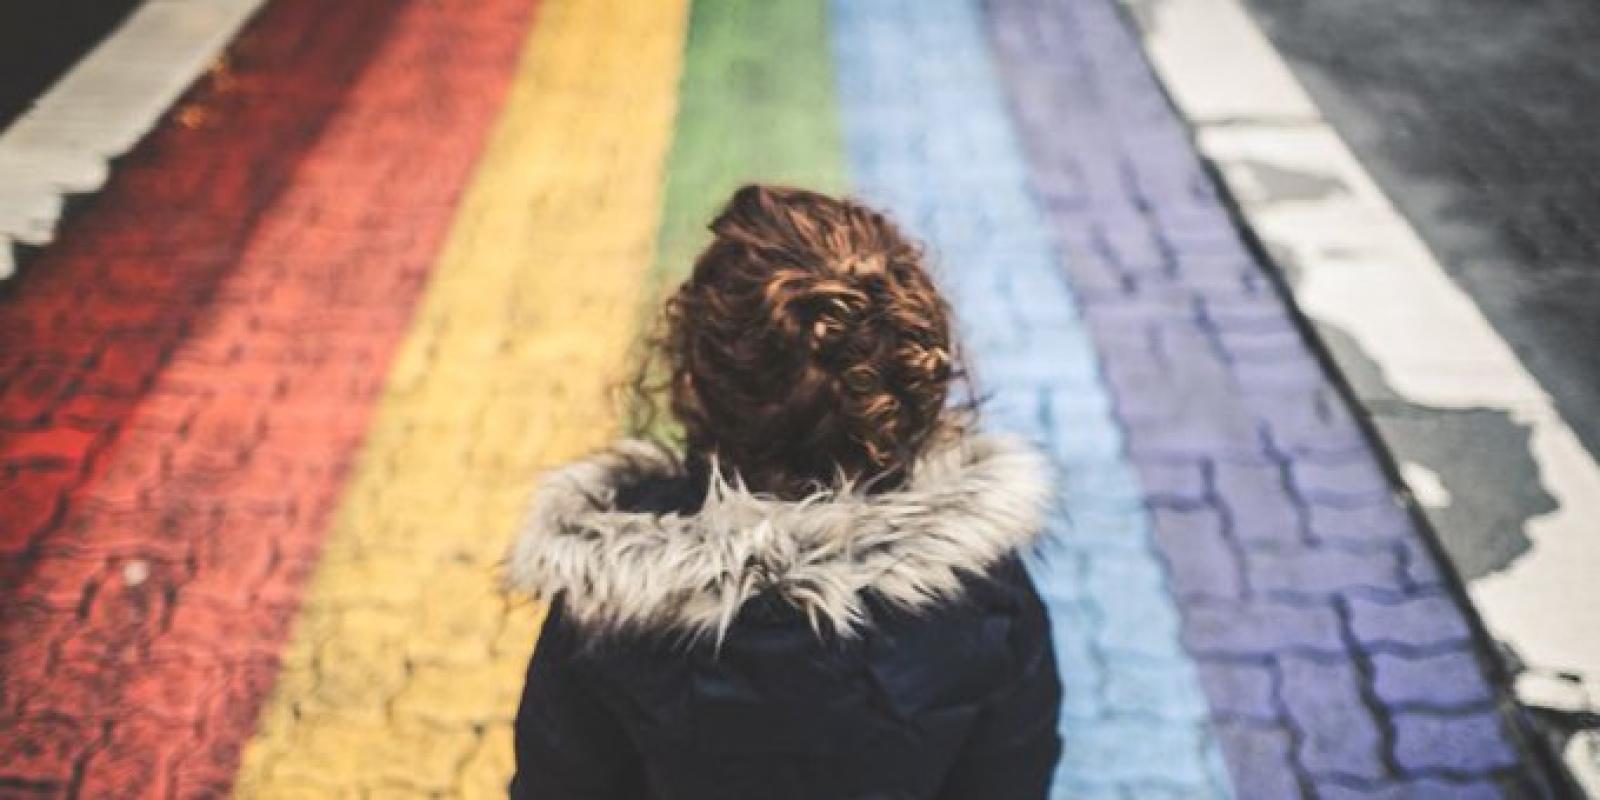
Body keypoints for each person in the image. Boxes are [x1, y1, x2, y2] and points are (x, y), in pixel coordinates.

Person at [505, 185, 1062, 799]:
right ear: (909, 381)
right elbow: (1011, 777)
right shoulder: (985, 595)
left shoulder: (609, 605)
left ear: (694, 380)